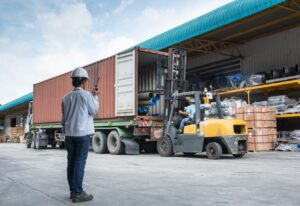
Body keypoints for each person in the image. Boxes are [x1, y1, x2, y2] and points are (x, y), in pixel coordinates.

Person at [61, 67, 99, 203]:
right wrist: (95, 95)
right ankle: (78, 192)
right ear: (83, 81)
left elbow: (63, 119)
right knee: (79, 163)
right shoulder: (86, 95)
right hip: (82, 135)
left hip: (69, 135)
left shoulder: (65, 98)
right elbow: (94, 110)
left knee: (71, 163)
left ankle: (72, 191)